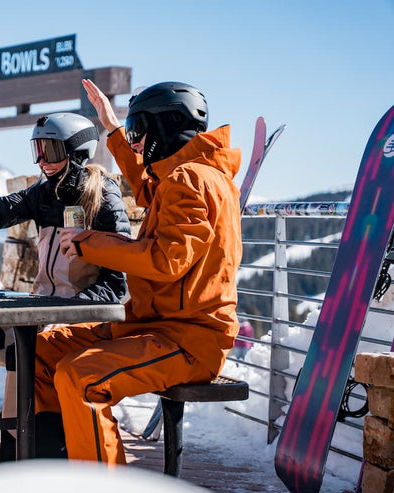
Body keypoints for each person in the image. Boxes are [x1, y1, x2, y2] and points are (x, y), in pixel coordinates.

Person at [28, 80, 242, 466]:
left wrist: (89, 243)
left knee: (82, 377)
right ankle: (54, 466)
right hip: (155, 326)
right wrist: (112, 130)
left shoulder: (190, 180)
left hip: (190, 338)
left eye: (139, 129)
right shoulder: (187, 175)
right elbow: (149, 187)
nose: (137, 141)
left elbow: (167, 260)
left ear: (164, 126)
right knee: (42, 351)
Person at [0, 112, 131, 479]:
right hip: (39, 316)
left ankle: (15, 459)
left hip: (80, 325)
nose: (42, 161)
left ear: (77, 152)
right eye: (36, 151)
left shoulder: (105, 200)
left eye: (51, 150)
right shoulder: (44, 193)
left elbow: (117, 285)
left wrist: (66, 310)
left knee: (19, 354)